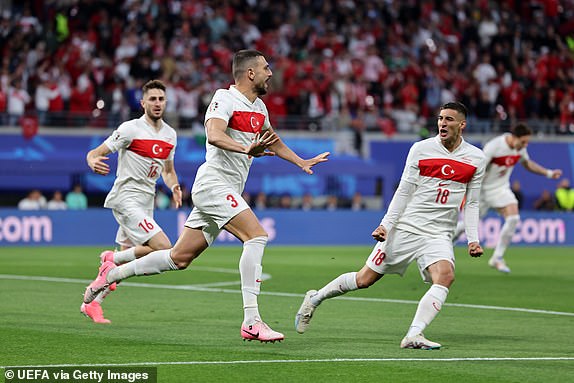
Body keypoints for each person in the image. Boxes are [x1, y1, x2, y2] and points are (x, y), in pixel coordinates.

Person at [82, 49, 330, 342]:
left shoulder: (260, 107)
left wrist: (300, 161)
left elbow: (272, 140)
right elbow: (214, 134)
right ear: (250, 73)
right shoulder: (224, 98)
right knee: (256, 236)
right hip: (213, 184)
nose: (270, 73)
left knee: (178, 257)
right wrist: (245, 149)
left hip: (225, 189)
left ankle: (110, 276)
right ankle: (252, 320)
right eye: (265, 68)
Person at [295, 102, 485, 350]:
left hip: (439, 233)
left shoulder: (476, 158)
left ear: (462, 124)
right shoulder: (421, 149)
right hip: (407, 227)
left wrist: (473, 238)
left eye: (449, 119)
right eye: (440, 118)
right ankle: (315, 298)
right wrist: (385, 225)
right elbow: (403, 191)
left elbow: (471, 203)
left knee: (446, 276)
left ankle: (414, 334)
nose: (442, 123)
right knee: (364, 279)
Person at [83, 79, 182, 323]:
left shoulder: (171, 135)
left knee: (134, 255)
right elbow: (95, 152)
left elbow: (168, 170)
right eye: (152, 99)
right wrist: (92, 161)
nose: (157, 103)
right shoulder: (130, 129)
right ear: (143, 103)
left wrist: (175, 186)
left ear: (166, 102)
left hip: (147, 201)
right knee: (162, 246)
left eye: (161, 99)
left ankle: (93, 304)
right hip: (126, 197)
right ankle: (111, 261)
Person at [453, 123, 562, 273]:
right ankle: (444, 246)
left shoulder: (520, 148)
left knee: (513, 218)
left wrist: (548, 173)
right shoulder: (494, 146)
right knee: (464, 226)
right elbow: (479, 168)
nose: (525, 145)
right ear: (514, 137)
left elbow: (527, 163)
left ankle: (497, 258)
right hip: (482, 191)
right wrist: (468, 190)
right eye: (523, 141)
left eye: (527, 142)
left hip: (500, 189)